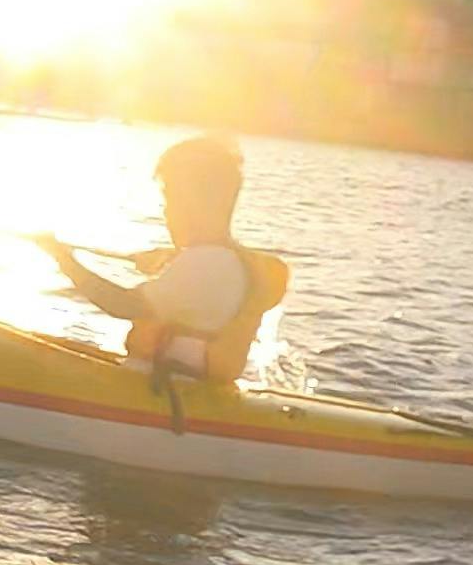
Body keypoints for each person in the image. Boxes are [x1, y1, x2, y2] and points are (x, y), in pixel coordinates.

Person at [40, 136, 289, 387]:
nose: (166, 211)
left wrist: (63, 260)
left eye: (170, 199)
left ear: (197, 204)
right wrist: (172, 256)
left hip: (167, 394)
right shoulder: (222, 260)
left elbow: (122, 304)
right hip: (170, 387)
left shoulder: (207, 264)